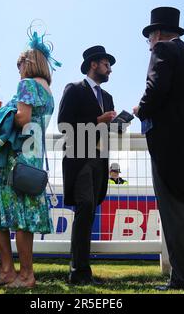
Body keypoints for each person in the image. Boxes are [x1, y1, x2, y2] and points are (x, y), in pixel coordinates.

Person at [133, 7, 184, 291]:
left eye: (149, 39)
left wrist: (140, 110)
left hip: (170, 148)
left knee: (174, 212)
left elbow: (155, 90)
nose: (149, 44)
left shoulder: (163, 51)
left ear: (156, 34)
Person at [0, 29, 60, 288]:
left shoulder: (26, 84)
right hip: (34, 159)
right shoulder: (48, 91)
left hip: (17, 158)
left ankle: (19, 273)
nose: (18, 71)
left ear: (29, 63)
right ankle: (16, 273)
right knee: (18, 217)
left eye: (19, 65)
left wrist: (1, 113)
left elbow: (22, 118)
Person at [58, 45, 116, 285]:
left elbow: (107, 129)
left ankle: (81, 269)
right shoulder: (74, 89)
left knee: (89, 210)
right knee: (85, 207)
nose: (109, 69)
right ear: (94, 64)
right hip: (79, 158)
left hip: (99, 161)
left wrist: (116, 124)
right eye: (106, 64)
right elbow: (63, 124)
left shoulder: (108, 97)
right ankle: (78, 271)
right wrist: (97, 120)